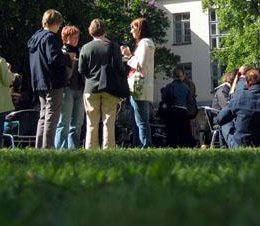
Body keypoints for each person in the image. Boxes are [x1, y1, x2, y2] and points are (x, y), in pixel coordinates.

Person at [28, 9, 72, 149]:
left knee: (43, 115)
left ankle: (39, 146)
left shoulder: (35, 36)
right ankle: (48, 147)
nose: (59, 28)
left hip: (39, 80)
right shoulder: (50, 37)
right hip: (53, 80)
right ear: (55, 23)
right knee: (52, 115)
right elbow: (54, 58)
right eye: (59, 25)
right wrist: (67, 57)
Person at [79, 19, 124, 149]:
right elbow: (120, 68)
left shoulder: (86, 47)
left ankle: (90, 148)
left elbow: (81, 70)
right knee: (108, 121)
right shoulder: (113, 46)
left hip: (90, 87)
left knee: (91, 122)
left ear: (90, 31)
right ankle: (108, 148)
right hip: (110, 87)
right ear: (105, 31)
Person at [217, 68, 260, 148]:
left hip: (241, 145)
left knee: (225, 124)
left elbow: (220, 119)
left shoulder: (239, 98)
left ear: (247, 84)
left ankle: (223, 152)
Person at [122, 18, 155, 148]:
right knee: (137, 119)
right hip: (138, 86)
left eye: (133, 28)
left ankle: (145, 145)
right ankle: (138, 144)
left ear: (140, 28)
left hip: (139, 86)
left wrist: (128, 56)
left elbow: (141, 65)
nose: (131, 31)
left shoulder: (145, 43)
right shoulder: (145, 43)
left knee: (141, 119)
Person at [55, 26, 85, 149]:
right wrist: (70, 60)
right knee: (64, 121)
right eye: (73, 37)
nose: (76, 39)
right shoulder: (61, 51)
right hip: (66, 89)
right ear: (66, 38)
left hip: (80, 89)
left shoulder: (81, 50)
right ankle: (61, 149)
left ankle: (73, 149)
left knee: (77, 122)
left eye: (77, 36)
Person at [160, 66, 194, 147]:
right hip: (184, 111)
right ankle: (184, 146)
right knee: (183, 131)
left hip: (173, 111)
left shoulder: (169, 86)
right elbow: (190, 100)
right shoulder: (186, 87)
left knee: (172, 132)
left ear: (173, 76)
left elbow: (164, 98)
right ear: (183, 75)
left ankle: (173, 146)